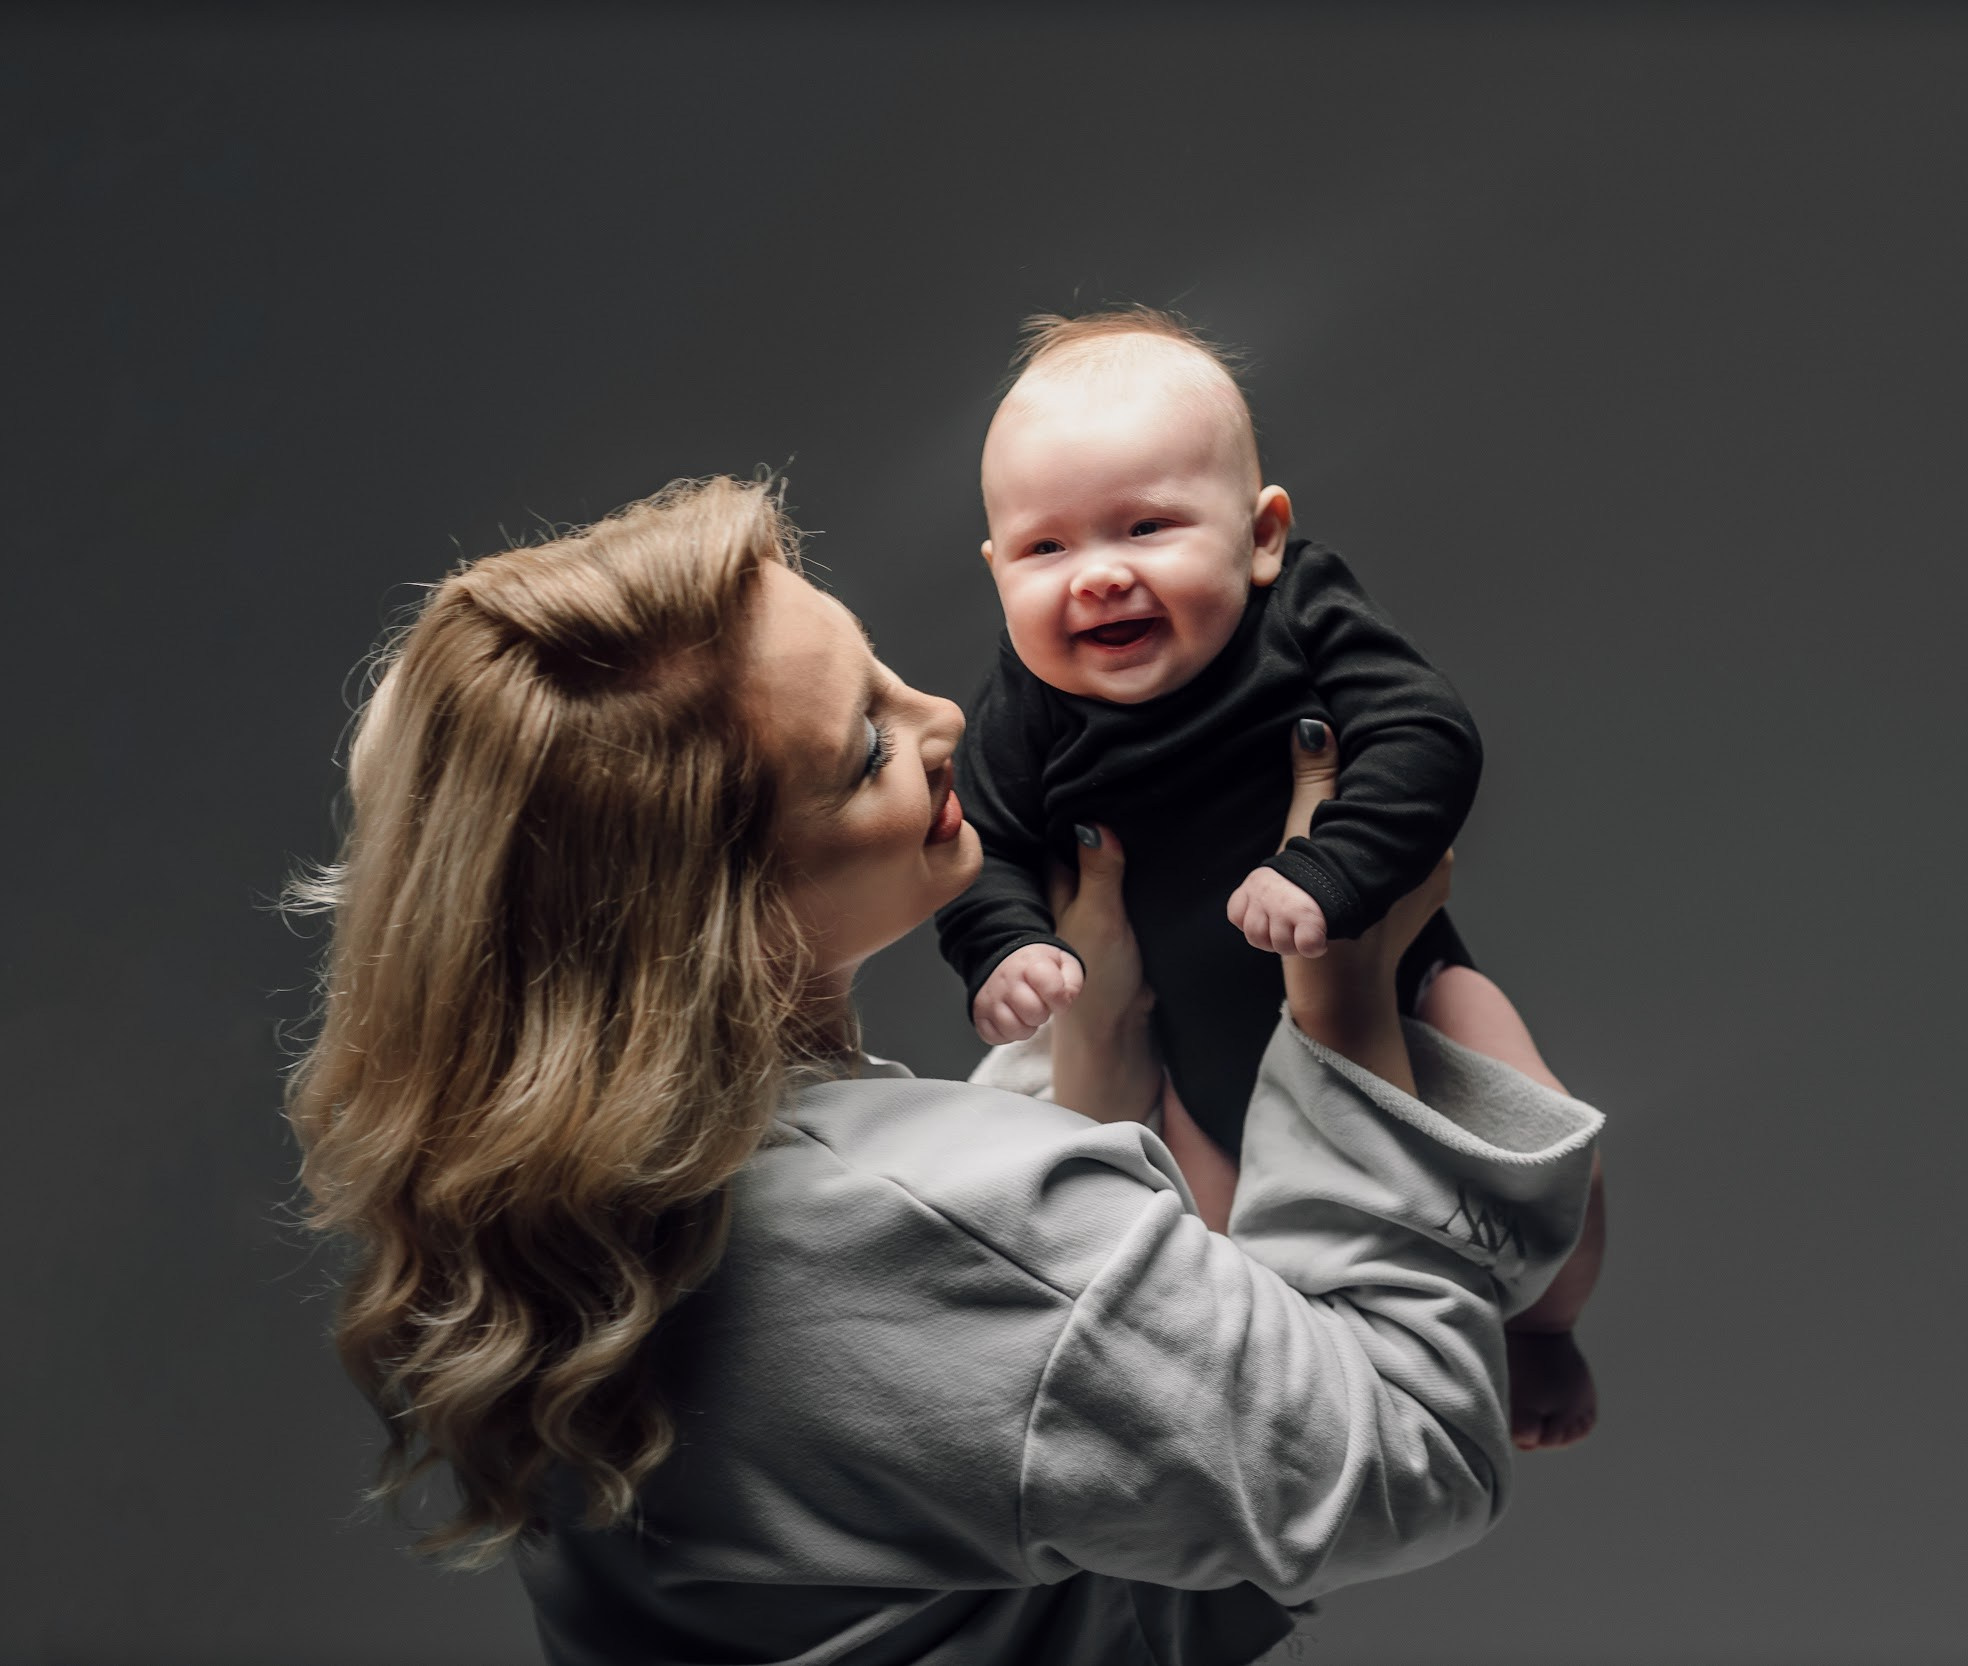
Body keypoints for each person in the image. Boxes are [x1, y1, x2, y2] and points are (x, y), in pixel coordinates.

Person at [285, 476, 1603, 1665]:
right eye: (865, 747)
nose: (946, 718)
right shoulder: (925, 1219)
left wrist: (1094, 1048)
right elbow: (1415, 1453)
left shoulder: (584, 1213)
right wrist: (1343, 1013)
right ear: (716, 912)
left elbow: (975, 1412)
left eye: (882, 670)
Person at [935, 308, 1604, 1448]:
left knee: (1551, 1176)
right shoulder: (1027, 707)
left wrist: (1329, 870)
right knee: (1226, 1282)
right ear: (998, 572)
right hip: (1192, 1057)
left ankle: (1544, 1328)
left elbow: (1424, 736)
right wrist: (1005, 945)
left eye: (1146, 527)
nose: (1098, 577)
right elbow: (982, 844)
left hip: (1406, 986)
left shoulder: (1299, 617)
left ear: (1260, 536)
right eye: (1047, 550)